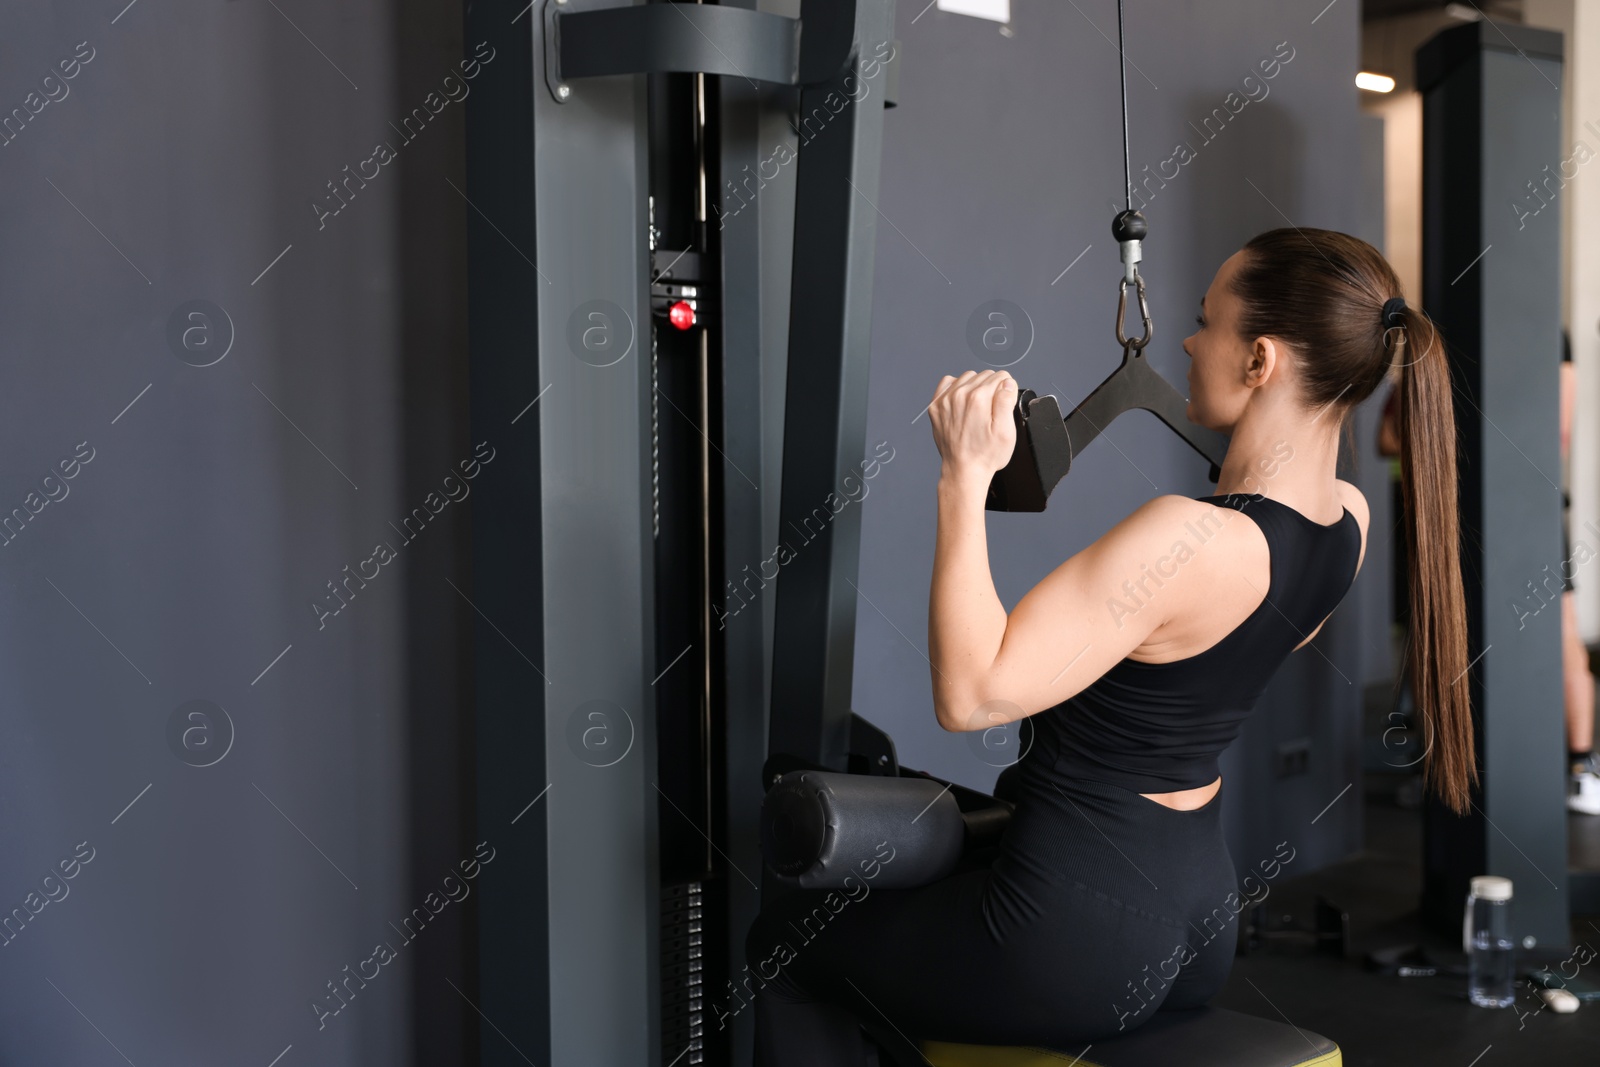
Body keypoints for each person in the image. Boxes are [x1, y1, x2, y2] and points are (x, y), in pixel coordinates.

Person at [743, 228, 1473, 1063]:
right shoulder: (1348, 521)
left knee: (785, 941)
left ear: (1260, 360)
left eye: (1207, 322)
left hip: (1072, 933)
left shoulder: (1190, 539)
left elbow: (972, 694)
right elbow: (1243, 628)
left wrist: (964, 476)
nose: (1189, 343)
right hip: (1197, 919)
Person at [1558, 332, 1600, 812]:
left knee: (1561, 629)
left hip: (1530, 499)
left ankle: (1581, 766)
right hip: (1465, 501)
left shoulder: (1550, 335)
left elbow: (1558, 433)